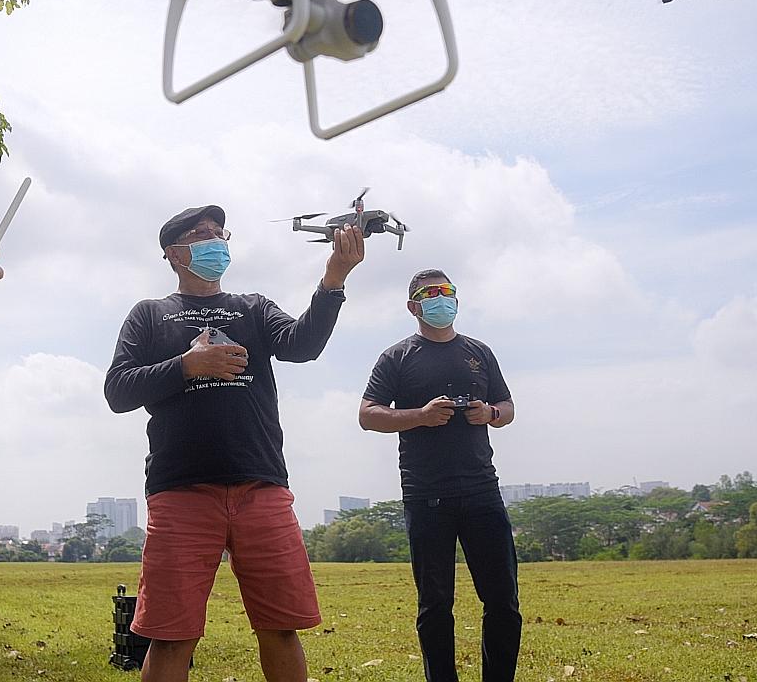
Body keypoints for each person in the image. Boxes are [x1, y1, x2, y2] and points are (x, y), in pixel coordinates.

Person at [104, 204, 364, 682]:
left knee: (282, 627)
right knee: (171, 635)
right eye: (201, 234)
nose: (215, 242)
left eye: (221, 234)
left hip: (261, 487)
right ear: (173, 253)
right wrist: (187, 365)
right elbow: (118, 390)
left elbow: (302, 345)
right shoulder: (150, 314)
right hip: (181, 491)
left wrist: (333, 281)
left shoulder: (254, 308)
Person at [358, 269, 521, 682]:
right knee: (434, 603)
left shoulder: (479, 352)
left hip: (483, 490)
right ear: (413, 306)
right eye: (430, 293)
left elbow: (507, 406)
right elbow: (368, 415)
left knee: (502, 599)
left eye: (447, 291)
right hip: (426, 494)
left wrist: (490, 414)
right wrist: (421, 416)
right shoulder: (396, 357)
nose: (440, 299)